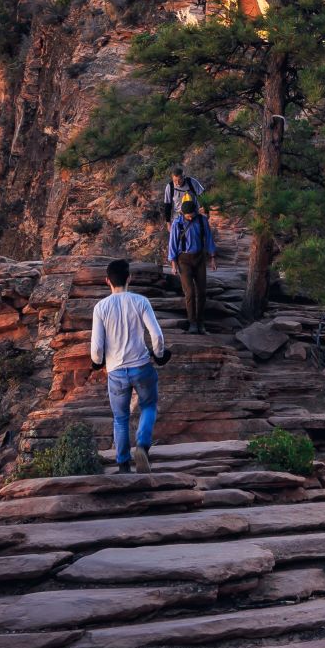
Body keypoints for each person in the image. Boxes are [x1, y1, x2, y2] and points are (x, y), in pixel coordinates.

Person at [90, 258, 166, 472]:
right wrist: (159, 355)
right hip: (141, 365)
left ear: (107, 281)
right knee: (149, 406)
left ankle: (123, 464)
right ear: (129, 278)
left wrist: (97, 363)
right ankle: (142, 445)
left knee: (120, 418)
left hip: (115, 371)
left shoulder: (100, 308)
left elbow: (96, 347)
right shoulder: (140, 301)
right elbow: (157, 335)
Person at [165, 167, 219, 333]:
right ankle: (192, 323)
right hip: (184, 260)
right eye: (187, 215)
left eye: (192, 214)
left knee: (202, 291)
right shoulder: (178, 223)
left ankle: (201, 322)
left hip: (199, 258)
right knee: (189, 293)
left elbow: (208, 239)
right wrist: (173, 264)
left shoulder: (202, 221)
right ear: (183, 212)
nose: (190, 217)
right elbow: (172, 244)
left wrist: (212, 257)